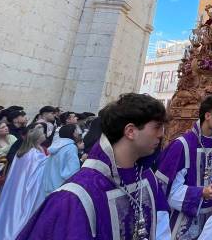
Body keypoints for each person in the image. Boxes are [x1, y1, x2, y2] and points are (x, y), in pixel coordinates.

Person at [18, 93, 171, 240]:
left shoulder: (146, 177)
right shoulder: (74, 197)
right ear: (130, 131)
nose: (161, 134)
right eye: (157, 127)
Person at [157, 95, 212, 238]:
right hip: (184, 218)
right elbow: (166, 189)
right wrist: (200, 193)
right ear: (208, 116)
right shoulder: (182, 145)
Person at [0, 124, 48, 240]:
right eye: (42, 134)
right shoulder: (33, 154)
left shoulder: (24, 152)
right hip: (28, 187)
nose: (45, 135)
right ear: (38, 138)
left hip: (18, 187)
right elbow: (43, 168)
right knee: (23, 210)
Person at [34, 124, 82, 209]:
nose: (79, 133)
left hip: (50, 186)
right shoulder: (71, 147)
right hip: (63, 188)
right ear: (73, 133)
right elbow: (72, 172)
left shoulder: (56, 146)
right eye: (77, 130)